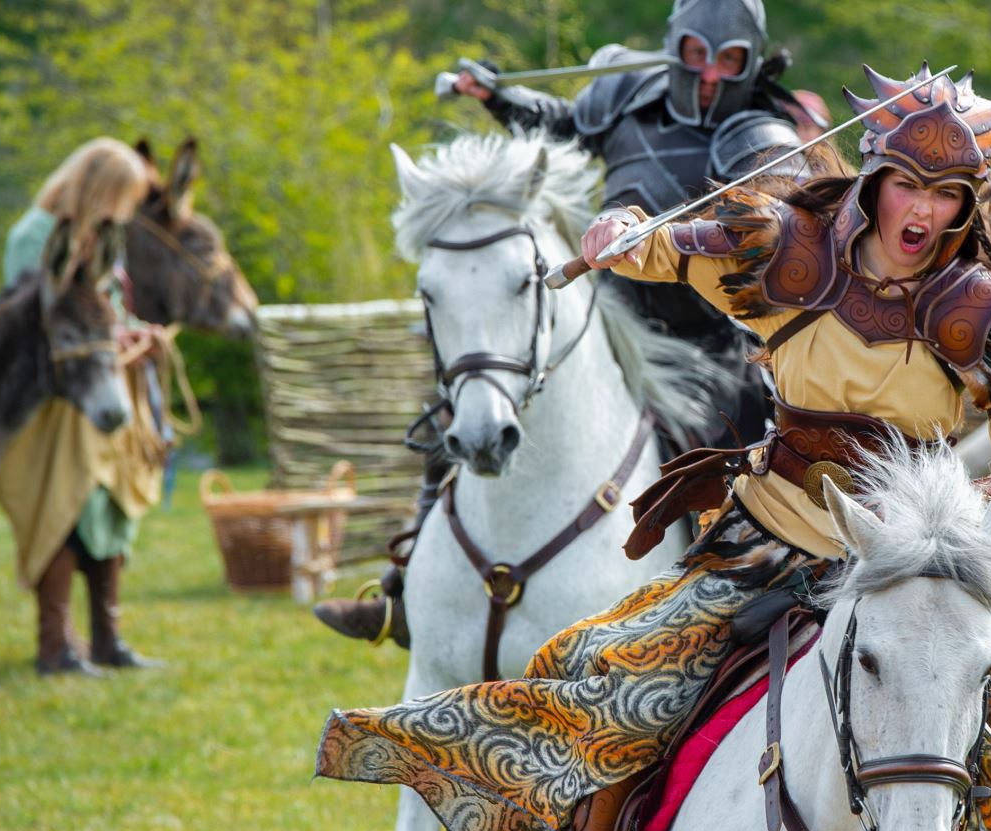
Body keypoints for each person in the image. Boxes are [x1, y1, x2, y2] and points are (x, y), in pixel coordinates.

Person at [316, 65, 991, 831]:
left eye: (946, 195)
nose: (922, 211)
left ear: (967, 205)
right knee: (610, 694)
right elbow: (670, 245)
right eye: (908, 184)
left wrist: (986, 506)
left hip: (918, 569)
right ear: (875, 182)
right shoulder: (791, 255)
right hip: (767, 546)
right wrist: (624, 232)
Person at [313, 0, 831, 647]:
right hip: (611, 309)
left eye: (728, 61)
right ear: (676, 49)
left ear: (750, 61)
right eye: (697, 54)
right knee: (475, 398)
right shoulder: (627, 96)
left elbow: (778, 235)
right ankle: (404, 593)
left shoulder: (762, 132)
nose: (708, 75)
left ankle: (734, 603)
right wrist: (495, 98)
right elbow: (562, 124)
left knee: (737, 437)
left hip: (711, 335)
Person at [0, 137, 167, 676]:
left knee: (108, 511)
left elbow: (103, 313)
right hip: (58, 406)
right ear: (100, 188)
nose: (127, 211)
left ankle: (107, 640)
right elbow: (33, 317)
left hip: (106, 398)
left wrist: (137, 336)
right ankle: (57, 646)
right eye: (123, 197)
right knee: (64, 510)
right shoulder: (34, 237)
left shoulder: (100, 241)